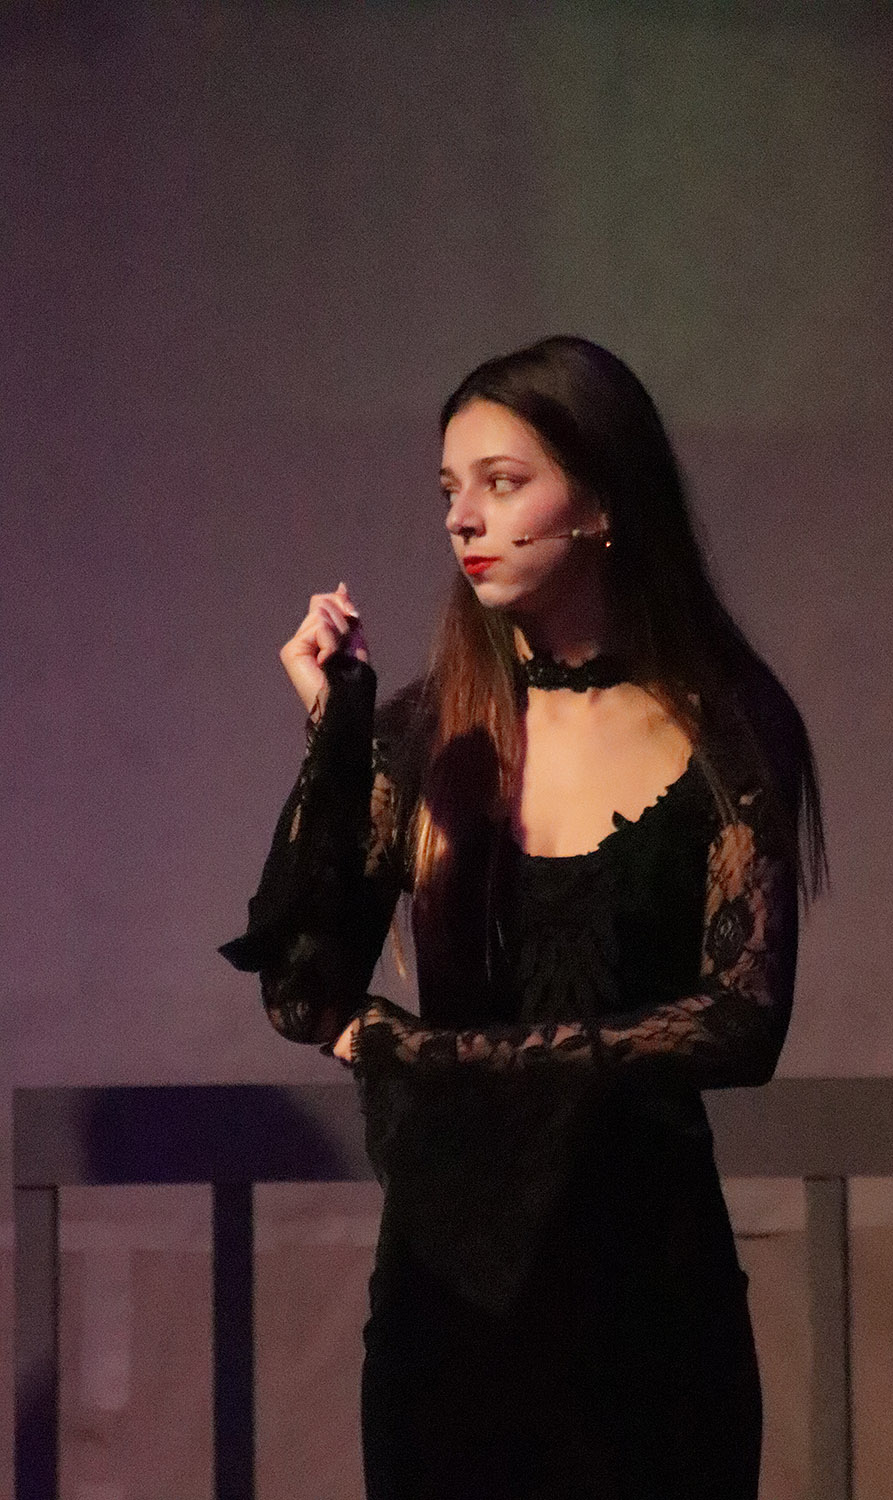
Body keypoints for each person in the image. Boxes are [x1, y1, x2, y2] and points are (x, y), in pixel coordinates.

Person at [220, 334, 827, 1500]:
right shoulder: (425, 732)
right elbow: (302, 987)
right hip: (453, 1298)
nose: (463, 518)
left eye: (502, 483)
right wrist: (336, 739)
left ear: (600, 502)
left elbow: (741, 1020)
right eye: (450, 489)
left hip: (649, 1298)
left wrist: (446, 1059)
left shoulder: (728, 727)